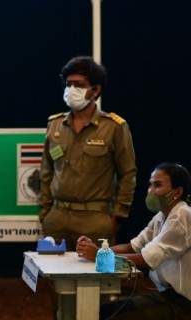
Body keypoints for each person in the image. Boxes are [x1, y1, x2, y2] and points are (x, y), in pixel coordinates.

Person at [39, 56, 137, 250]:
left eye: (79, 85)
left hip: (95, 220)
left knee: (94, 277)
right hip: (56, 218)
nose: (71, 90)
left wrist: (117, 217)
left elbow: (128, 173)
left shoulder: (114, 127)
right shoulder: (55, 124)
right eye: (68, 84)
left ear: (95, 90)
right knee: (53, 278)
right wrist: (45, 213)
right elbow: (46, 172)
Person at [77, 162, 191, 320]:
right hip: (166, 296)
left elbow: (146, 259)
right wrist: (100, 250)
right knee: (102, 312)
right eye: (150, 185)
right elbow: (132, 246)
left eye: (157, 185)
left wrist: (99, 255)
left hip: (184, 305)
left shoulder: (182, 215)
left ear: (177, 192)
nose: (151, 191)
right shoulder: (161, 216)